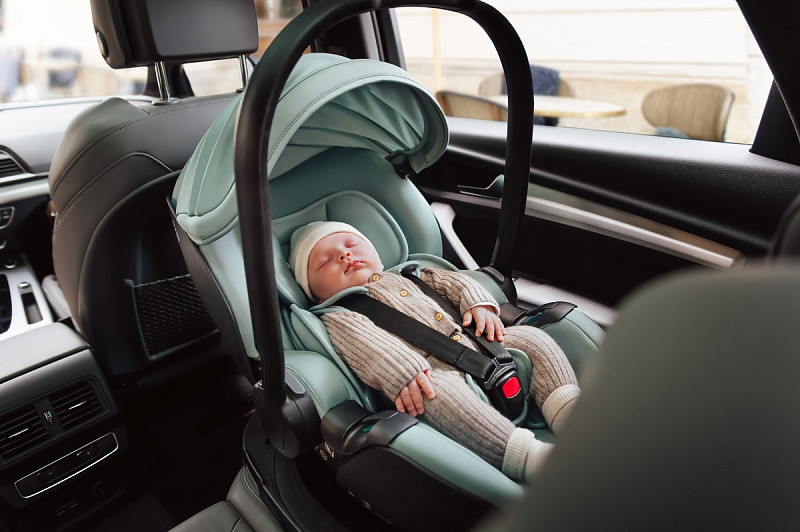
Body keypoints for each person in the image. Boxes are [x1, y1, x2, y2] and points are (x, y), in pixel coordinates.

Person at [289, 221, 580, 481]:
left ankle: (568, 411)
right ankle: (525, 456)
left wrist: (478, 304)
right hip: (431, 372)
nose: (344, 255)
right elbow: (365, 345)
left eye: (351, 244)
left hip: (482, 345)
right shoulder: (340, 314)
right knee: (432, 393)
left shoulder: (413, 274)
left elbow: (457, 284)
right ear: (314, 292)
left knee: (532, 338)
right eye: (325, 262)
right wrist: (403, 371)